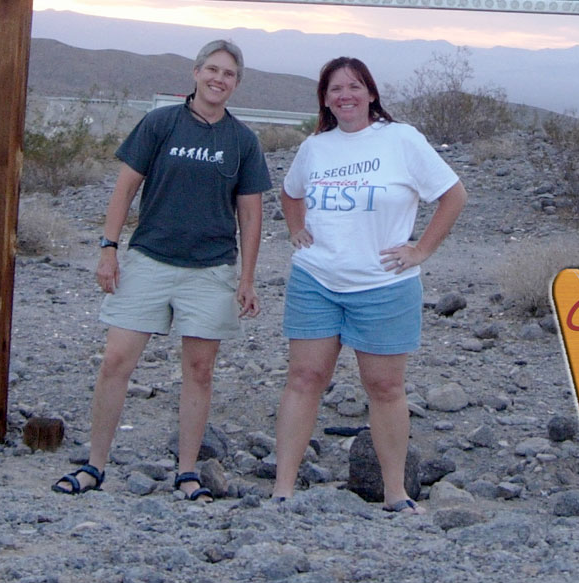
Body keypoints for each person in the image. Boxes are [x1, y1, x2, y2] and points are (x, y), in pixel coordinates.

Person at [52, 39, 271, 501]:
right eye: (212, 69)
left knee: (199, 369)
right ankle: (94, 466)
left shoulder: (242, 141)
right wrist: (108, 248)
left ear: (237, 83)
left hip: (210, 270)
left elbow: (250, 215)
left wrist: (247, 278)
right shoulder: (160, 124)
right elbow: (125, 187)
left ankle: (188, 472)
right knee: (116, 361)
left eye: (228, 74)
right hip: (149, 259)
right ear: (195, 73)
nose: (218, 79)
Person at [271, 56, 467, 512]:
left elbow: (453, 195)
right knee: (304, 378)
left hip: (384, 286)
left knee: (384, 388)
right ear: (325, 99)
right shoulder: (315, 147)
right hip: (316, 280)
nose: (346, 96)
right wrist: (295, 228)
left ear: (371, 93)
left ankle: (395, 492)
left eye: (355, 87)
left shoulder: (402, 140)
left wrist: (420, 250)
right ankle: (282, 488)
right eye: (336, 89)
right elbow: (290, 190)